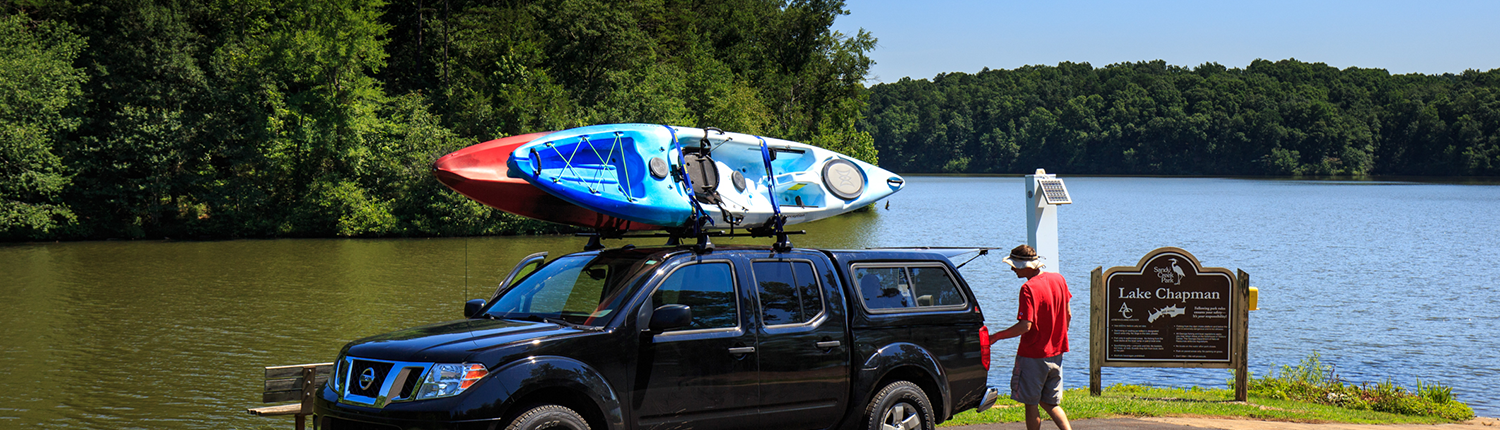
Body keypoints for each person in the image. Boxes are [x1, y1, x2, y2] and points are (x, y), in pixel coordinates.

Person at [990, 244, 1073, 430]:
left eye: (1014, 265)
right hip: (1057, 352)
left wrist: (996, 336)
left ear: (1025, 265)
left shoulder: (1028, 288)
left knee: (1031, 403)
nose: (1012, 269)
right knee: (1050, 403)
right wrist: (1058, 336)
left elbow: (1025, 326)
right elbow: (1068, 314)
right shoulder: (1059, 279)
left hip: (1033, 355)